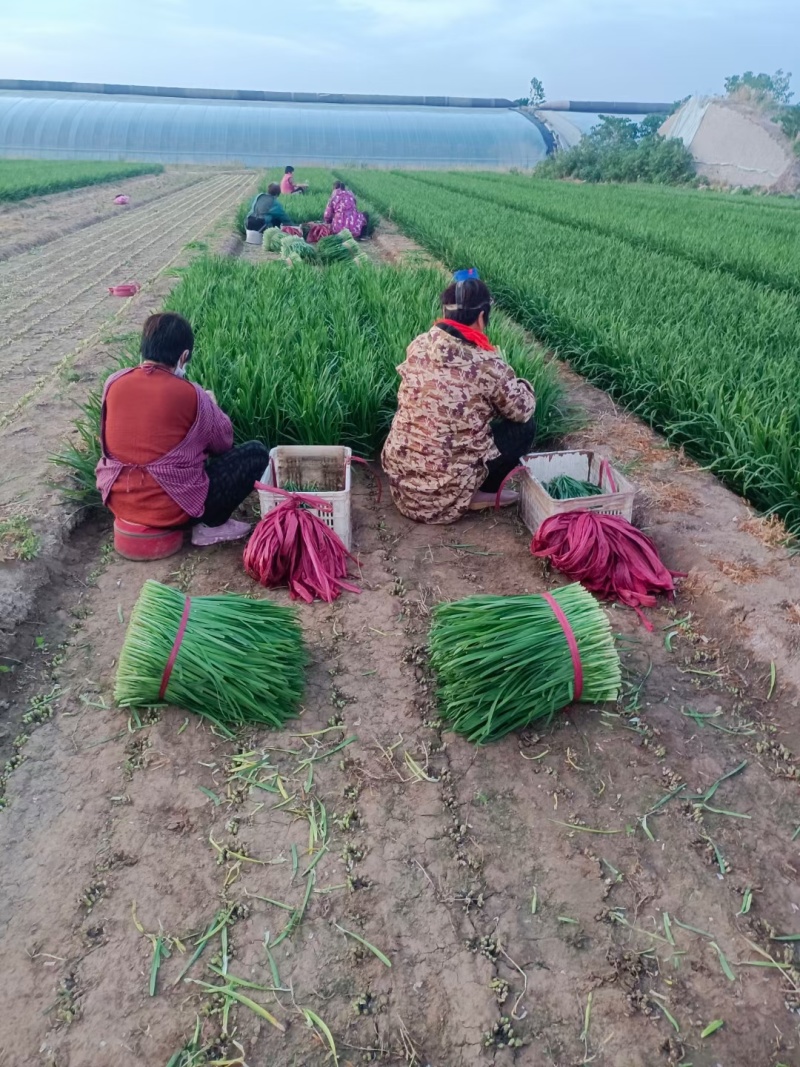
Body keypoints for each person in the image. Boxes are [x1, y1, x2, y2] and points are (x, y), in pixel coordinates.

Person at [95, 313, 270, 547]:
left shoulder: (113, 382)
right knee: (256, 453)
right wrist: (213, 408)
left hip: (117, 498)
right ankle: (210, 526)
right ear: (183, 356)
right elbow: (224, 444)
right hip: (172, 509)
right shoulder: (192, 394)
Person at [382, 271, 536, 524]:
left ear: (446, 312)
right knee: (524, 427)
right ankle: (475, 494)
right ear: (481, 316)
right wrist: (519, 383)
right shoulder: (487, 364)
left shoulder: (419, 344)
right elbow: (523, 409)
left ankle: (432, 479)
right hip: (444, 499)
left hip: (403, 491)